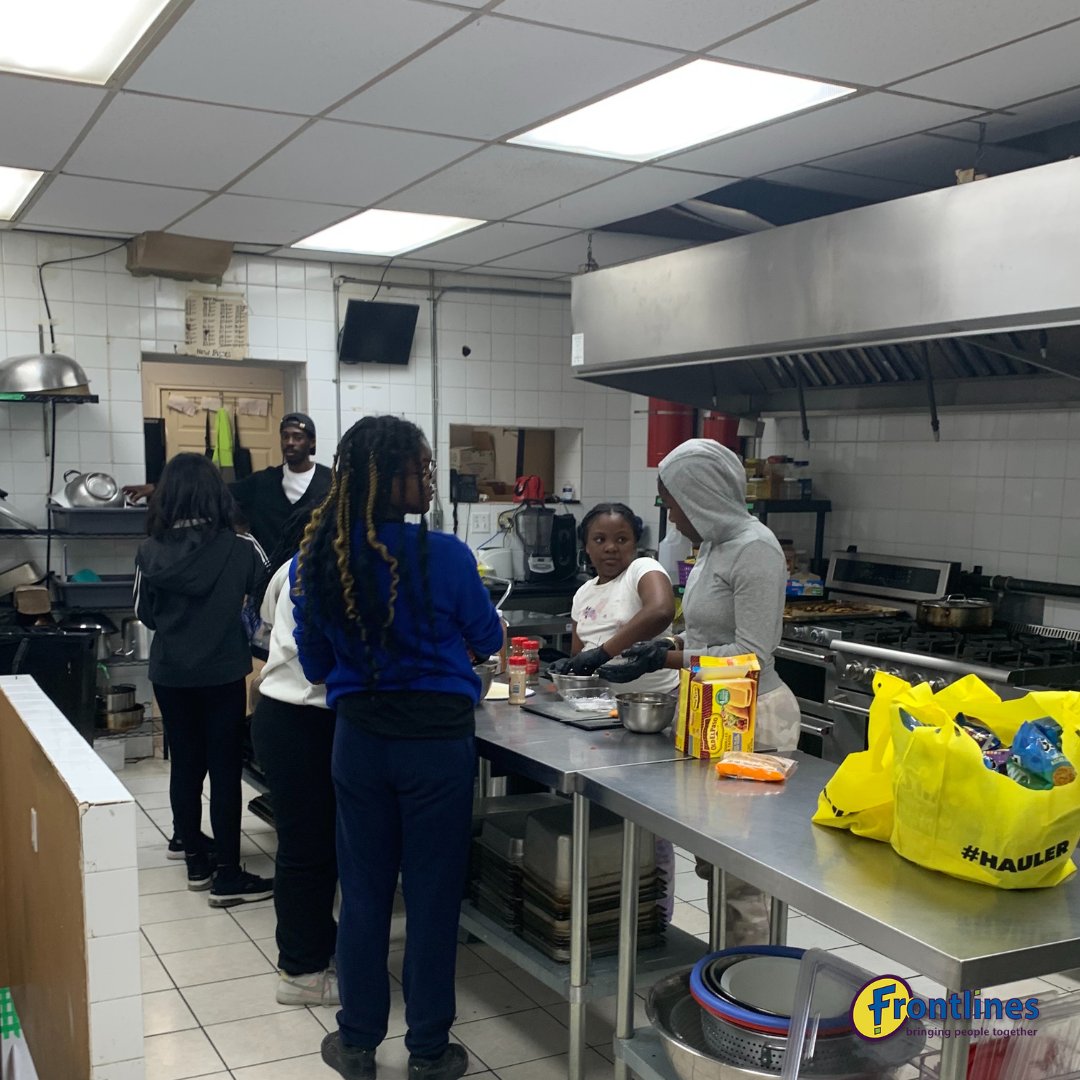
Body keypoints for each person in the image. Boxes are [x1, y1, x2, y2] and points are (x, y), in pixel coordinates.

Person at [293, 416, 503, 1080]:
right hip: (437, 747)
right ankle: (429, 1051)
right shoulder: (444, 555)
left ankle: (356, 1041)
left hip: (360, 743)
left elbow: (317, 665)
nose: (431, 479)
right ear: (392, 476)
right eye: (423, 467)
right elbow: (489, 639)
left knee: (362, 892)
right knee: (433, 896)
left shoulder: (317, 558)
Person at [599, 438, 801, 942]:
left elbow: (754, 653)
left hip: (757, 720)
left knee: (745, 874)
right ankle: (719, 973)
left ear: (703, 494)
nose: (671, 515)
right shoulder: (713, 546)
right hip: (716, 711)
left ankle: (753, 993)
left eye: (673, 502)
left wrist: (666, 657)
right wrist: (668, 642)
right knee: (717, 859)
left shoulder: (756, 549)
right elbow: (707, 634)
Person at [134, 453, 274, 906]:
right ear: (216, 493)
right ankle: (228, 873)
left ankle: (195, 859)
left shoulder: (148, 550)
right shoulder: (241, 546)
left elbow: (145, 615)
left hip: (171, 673)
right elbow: (269, 599)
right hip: (222, 671)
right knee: (225, 769)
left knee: (186, 764)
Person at [250, 508, 340, 1007]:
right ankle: (302, 972)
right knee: (309, 851)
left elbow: (266, 623)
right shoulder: (336, 568)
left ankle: (314, 954)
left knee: (307, 848)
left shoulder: (290, 567)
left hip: (279, 718)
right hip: (310, 721)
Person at [125, 412, 332, 553]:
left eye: (297, 437)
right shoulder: (262, 482)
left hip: (314, 575)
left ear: (311, 442)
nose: (290, 443)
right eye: (285, 437)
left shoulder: (331, 482)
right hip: (269, 579)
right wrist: (157, 487)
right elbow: (210, 489)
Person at [549, 502, 677, 695]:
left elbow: (661, 611)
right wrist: (568, 668)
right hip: (599, 704)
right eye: (599, 540)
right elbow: (579, 655)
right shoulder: (583, 593)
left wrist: (603, 653)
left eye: (621, 539)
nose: (610, 547)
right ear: (587, 547)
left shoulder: (642, 569)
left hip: (655, 702)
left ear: (635, 544)